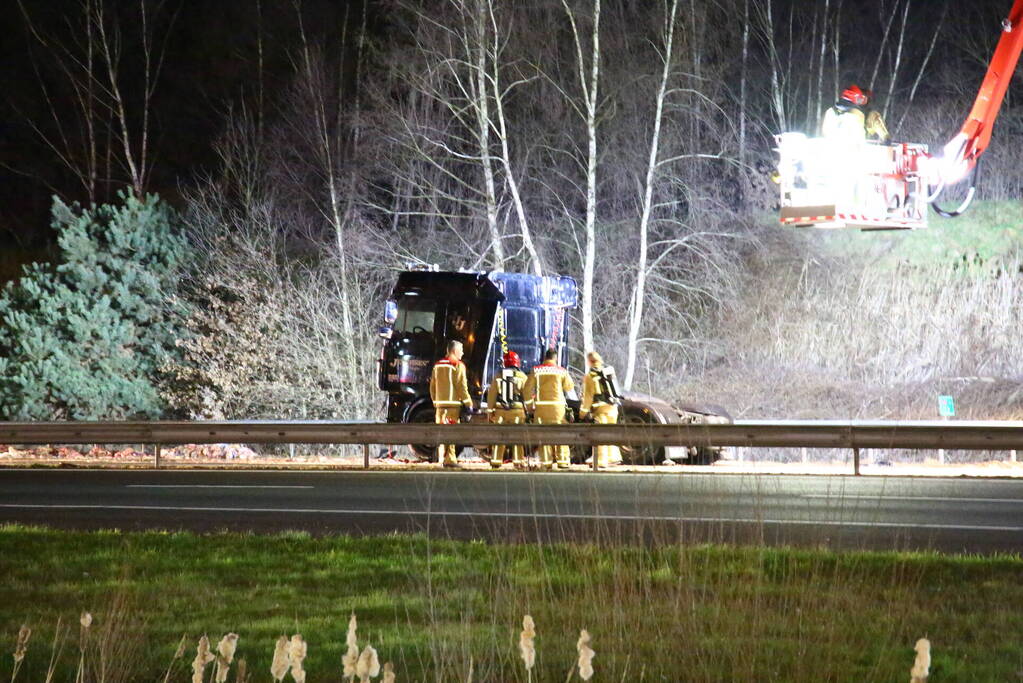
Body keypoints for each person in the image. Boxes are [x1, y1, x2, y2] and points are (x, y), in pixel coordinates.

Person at [522, 348, 574, 470]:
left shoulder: (536, 370)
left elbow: (527, 390)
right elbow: (569, 387)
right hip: (558, 410)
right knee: (561, 434)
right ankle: (563, 461)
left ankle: (546, 462)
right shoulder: (561, 371)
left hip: (541, 410)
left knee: (543, 435)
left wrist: (530, 406)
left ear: (545, 358)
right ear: (555, 358)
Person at [429, 339, 473, 467]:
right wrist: (468, 403)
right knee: (452, 434)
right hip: (452, 407)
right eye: (461, 350)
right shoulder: (458, 365)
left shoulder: (437, 365)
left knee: (441, 433)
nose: (463, 353)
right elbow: (461, 387)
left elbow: (432, 386)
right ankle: (450, 460)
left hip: (440, 407)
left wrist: (435, 401)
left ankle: (441, 458)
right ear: (454, 351)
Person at [578, 350, 622, 468]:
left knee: (600, 435)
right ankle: (613, 458)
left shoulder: (590, 376)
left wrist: (582, 413)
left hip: (600, 409)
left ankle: (601, 461)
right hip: (613, 408)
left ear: (589, 362)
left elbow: (588, 397)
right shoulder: (607, 372)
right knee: (610, 433)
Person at [485, 351, 528, 469]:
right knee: (518, 437)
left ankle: (496, 460)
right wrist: (528, 409)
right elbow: (527, 395)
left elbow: (492, 394)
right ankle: (518, 461)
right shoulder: (522, 376)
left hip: (500, 411)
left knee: (499, 436)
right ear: (517, 362)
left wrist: (490, 411)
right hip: (517, 411)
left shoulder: (498, 376)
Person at [821, 84, 889, 142]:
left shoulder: (831, 112)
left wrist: (886, 139)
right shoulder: (857, 115)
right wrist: (887, 140)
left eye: (864, 100)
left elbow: (825, 133)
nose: (862, 102)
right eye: (861, 99)